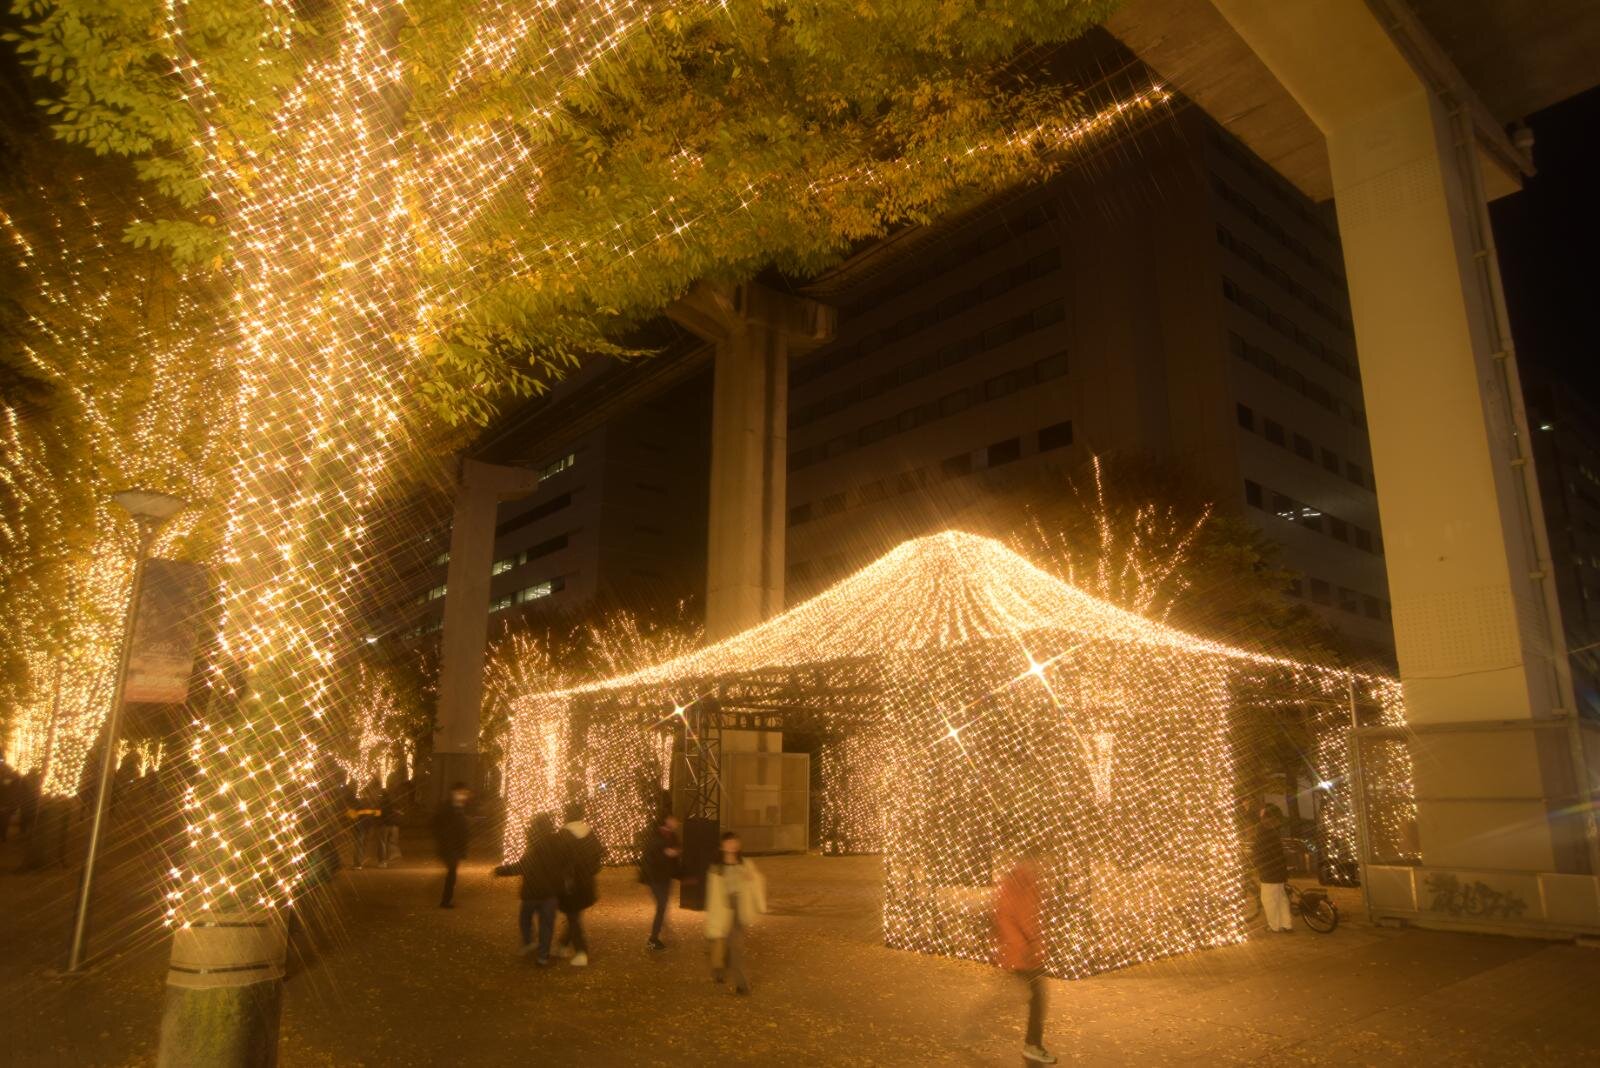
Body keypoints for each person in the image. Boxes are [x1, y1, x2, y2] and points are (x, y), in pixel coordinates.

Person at [996, 853, 1056, 1064]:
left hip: (1027, 952)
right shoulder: (1020, 883)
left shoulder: (1029, 882)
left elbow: (1033, 918)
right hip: (1023, 953)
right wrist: (1024, 947)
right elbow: (1011, 916)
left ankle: (1032, 1044)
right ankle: (1032, 1045)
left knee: (1032, 996)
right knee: (1037, 998)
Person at [494, 814, 567, 964]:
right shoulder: (558, 843)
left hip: (532, 891)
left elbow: (522, 866)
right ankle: (543, 955)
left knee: (525, 919)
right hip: (550, 892)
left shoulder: (535, 845)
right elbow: (564, 865)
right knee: (546, 924)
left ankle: (529, 942)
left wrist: (501, 871)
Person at [704, 830, 766, 995]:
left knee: (736, 946)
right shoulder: (716, 868)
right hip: (722, 908)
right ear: (722, 846)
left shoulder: (745, 863)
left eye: (734, 842)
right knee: (720, 943)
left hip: (740, 907)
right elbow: (713, 894)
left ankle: (741, 984)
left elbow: (757, 881)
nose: (732, 845)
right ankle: (719, 970)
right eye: (728, 842)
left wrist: (752, 880)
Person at [553, 801, 604, 966]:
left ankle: (582, 952)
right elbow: (599, 856)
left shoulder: (563, 835)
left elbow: (558, 861)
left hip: (570, 884)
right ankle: (561, 946)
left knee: (573, 917)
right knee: (574, 915)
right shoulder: (590, 833)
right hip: (587, 882)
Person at [641, 813, 682, 950]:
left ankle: (660, 928)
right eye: (674, 819)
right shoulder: (655, 835)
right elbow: (650, 856)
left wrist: (675, 853)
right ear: (667, 820)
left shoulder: (673, 835)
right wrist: (666, 853)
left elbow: (676, 851)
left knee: (663, 905)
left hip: (666, 876)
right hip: (655, 877)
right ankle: (653, 939)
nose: (677, 822)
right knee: (662, 905)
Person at [1253, 804, 1292, 933]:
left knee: (1269, 899)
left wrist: (1256, 863)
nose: (1260, 817)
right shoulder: (1275, 830)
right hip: (1279, 870)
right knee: (1281, 898)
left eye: (1262, 814)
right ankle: (1286, 924)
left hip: (1269, 871)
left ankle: (1274, 926)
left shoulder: (1262, 831)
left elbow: (1259, 852)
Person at [433, 782, 471, 908]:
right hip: (449, 846)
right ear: (454, 793)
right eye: (461, 793)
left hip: (455, 846)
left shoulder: (459, 807)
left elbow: (463, 829)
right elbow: (436, 824)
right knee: (452, 872)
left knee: (452, 872)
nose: (464, 796)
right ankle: (446, 900)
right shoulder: (447, 808)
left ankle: (447, 899)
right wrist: (445, 838)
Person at [377, 787, 403, 868]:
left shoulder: (381, 803)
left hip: (384, 825)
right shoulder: (393, 801)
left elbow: (380, 814)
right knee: (391, 842)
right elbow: (399, 811)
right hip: (393, 825)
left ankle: (383, 862)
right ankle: (392, 857)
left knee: (382, 843)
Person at [0, 756, 18, 842]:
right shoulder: (9, 771)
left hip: (5, 801)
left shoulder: (9, 772)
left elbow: (13, 788)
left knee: (4, 819)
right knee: (4, 819)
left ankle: (3, 834)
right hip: (6, 801)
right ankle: (3, 835)